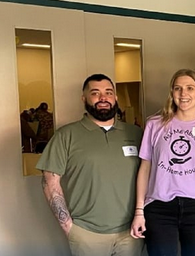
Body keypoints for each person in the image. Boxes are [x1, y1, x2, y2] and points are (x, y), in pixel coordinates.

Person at [37, 74, 144, 256]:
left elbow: (150, 175)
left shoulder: (135, 133)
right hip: (87, 233)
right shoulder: (66, 135)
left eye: (108, 93)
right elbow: (49, 181)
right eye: (95, 93)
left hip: (131, 232)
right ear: (84, 98)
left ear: (115, 98)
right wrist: (69, 227)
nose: (103, 98)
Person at [129, 69, 195, 256]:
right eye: (178, 88)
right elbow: (145, 169)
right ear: (171, 93)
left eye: (190, 88)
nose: (183, 94)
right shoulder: (155, 125)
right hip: (159, 208)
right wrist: (139, 211)